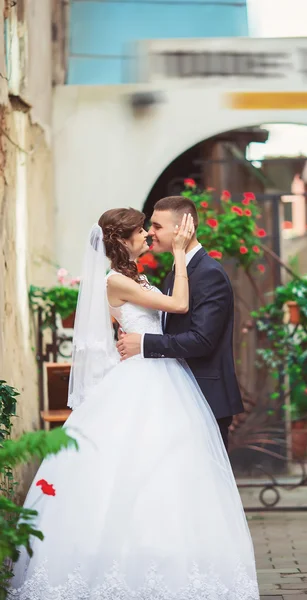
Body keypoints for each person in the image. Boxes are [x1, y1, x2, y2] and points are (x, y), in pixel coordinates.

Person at [10, 207, 259, 599]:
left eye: (152, 227)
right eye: (142, 229)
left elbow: (176, 320)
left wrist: (145, 340)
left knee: (169, 473)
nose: (148, 234)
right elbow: (177, 307)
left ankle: (171, 561)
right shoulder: (116, 280)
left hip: (165, 376)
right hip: (144, 379)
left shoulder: (138, 277)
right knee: (133, 470)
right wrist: (179, 255)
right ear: (124, 239)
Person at [116, 196, 244, 450]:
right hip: (179, 397)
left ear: (184, 228)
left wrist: (143, 343)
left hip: (206, 398)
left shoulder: (209, 274)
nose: (150, 233)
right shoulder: (177, 273)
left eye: (157, 226)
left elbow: (202, 340)